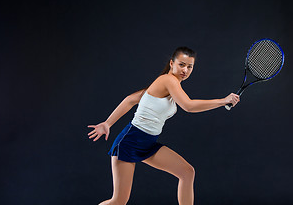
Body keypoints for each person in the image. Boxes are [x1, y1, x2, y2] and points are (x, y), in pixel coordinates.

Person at [88, 47, 240, 205]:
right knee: (119, 201)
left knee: (187, 172)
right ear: (172, 63)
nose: (185, 70)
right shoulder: (168, 80)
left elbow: (131, 99)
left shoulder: (168, 84)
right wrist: (223, 101)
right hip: (129, 142)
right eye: (182, 64)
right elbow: (189, 106)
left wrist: (107, 123)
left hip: (148, 143)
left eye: (190, 66)